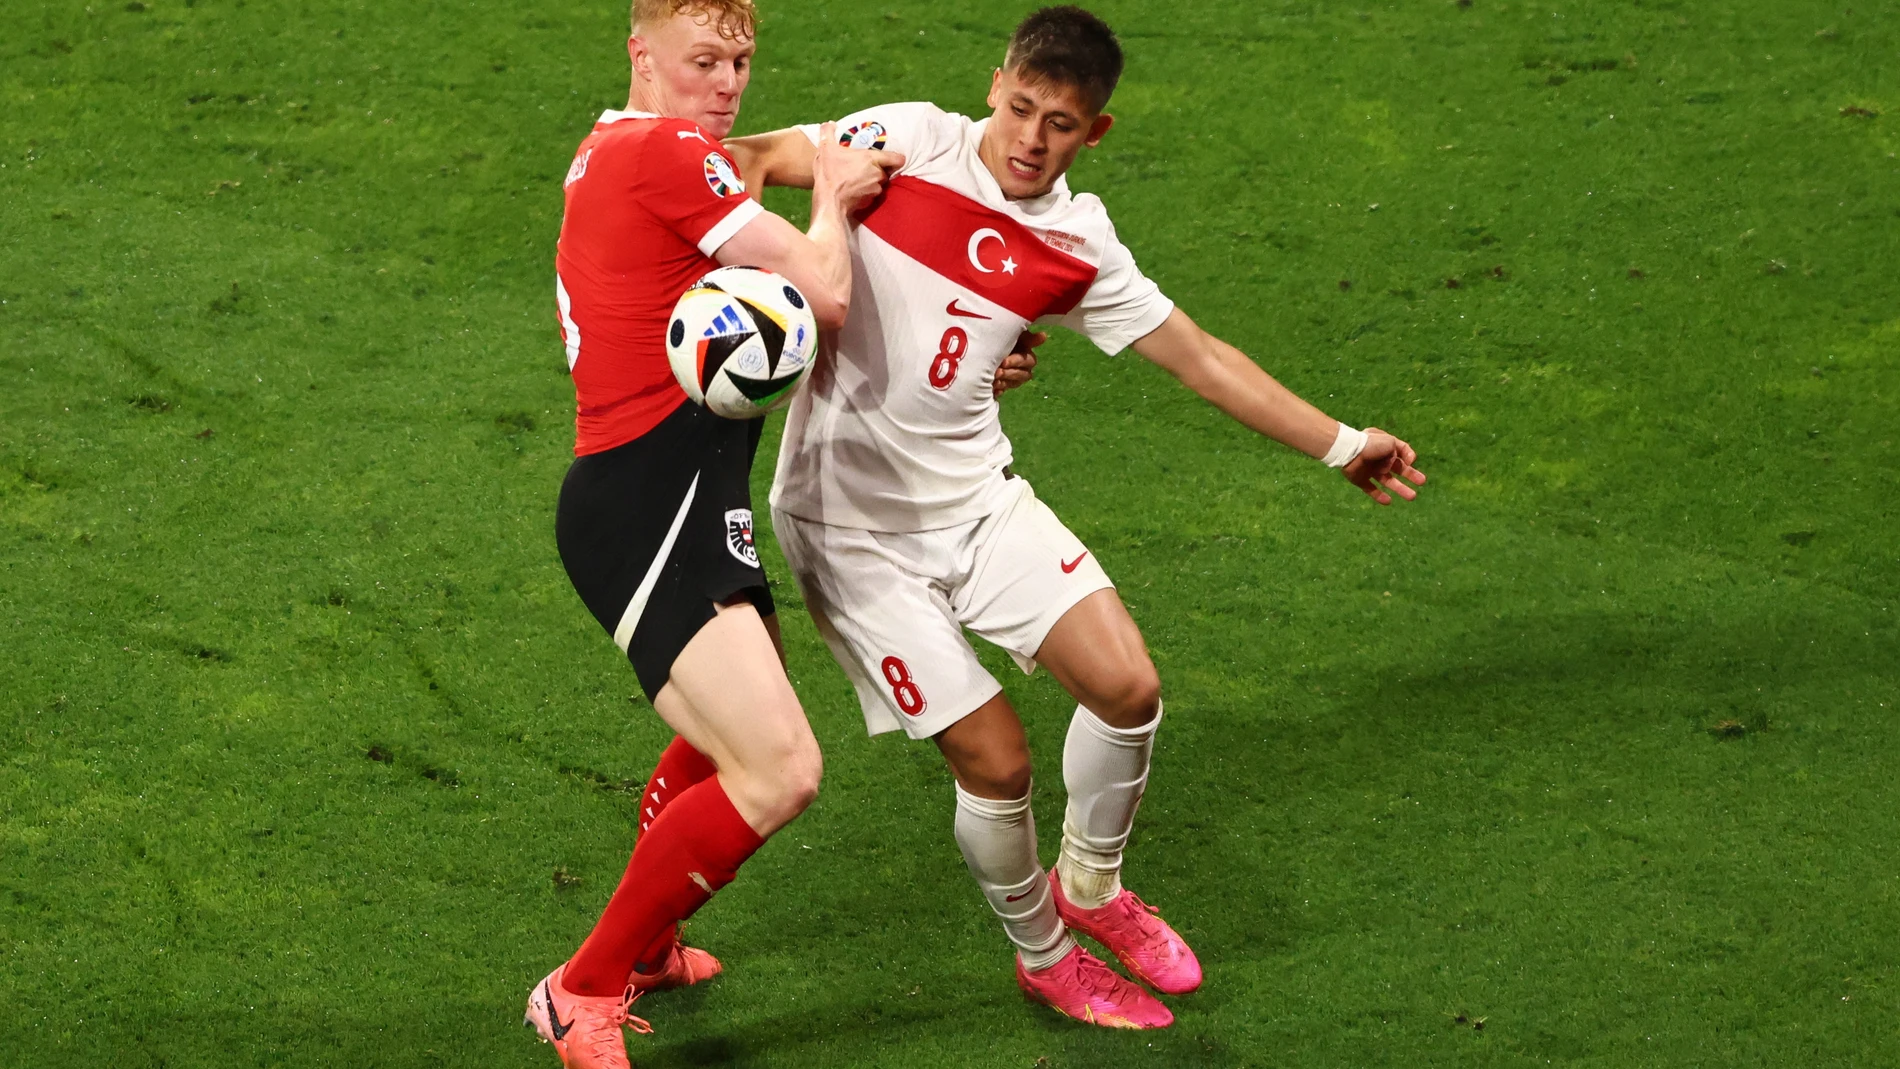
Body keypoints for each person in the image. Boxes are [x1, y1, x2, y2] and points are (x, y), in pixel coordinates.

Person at [727, 5, 1426, 1031]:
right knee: (996, 759)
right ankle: (1043, 954)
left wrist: (1341, 442)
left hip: (974, 499)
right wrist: (753, 288)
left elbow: (1198, 356)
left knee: (1127, 685)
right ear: (993, 85)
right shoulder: (909, 139)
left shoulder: (1076, 244)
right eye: (1018, 108)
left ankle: (1089, 888)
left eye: (1059, 123)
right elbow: (746, 158)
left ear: (1092, 132)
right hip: (849, 527)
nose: (1028, 138)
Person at [521, 2, 904, 1066]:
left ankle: (647, 949)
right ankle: (580, 987)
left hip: (688, 493)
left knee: (723, 735)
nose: (727, 80)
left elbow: (732, 182)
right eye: (704, 59)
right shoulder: (661, 149)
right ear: (640, 53)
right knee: (779, 768)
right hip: (650, 505)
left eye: (740, 59)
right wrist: (831, 189)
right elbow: (821, 290)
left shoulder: (621, 151)